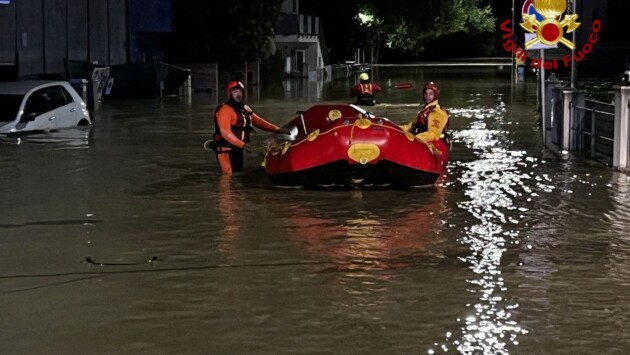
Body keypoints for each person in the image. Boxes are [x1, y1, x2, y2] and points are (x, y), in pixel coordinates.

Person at [210, 81, 288, 175]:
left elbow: (259, 122)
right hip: (225, 149)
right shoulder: (225, 110)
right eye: (235, 92)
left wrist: (277, 129)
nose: (238, 94)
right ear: (229, 93)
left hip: (238, 148)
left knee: (237, 173)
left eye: (240, 91)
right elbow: (226, 133)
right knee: (228, 175)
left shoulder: (245, 108)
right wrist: (243, 145)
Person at [401, 81, 449, 146]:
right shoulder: (425, 111)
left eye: (431, 94)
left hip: (435, 146)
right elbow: (409, 127)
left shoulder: (437, 112)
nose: (427, 96)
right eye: (426, 94)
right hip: (423, 141)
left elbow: (433, 134)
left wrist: (414, 139)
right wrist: (393, 128)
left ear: (435, 95)